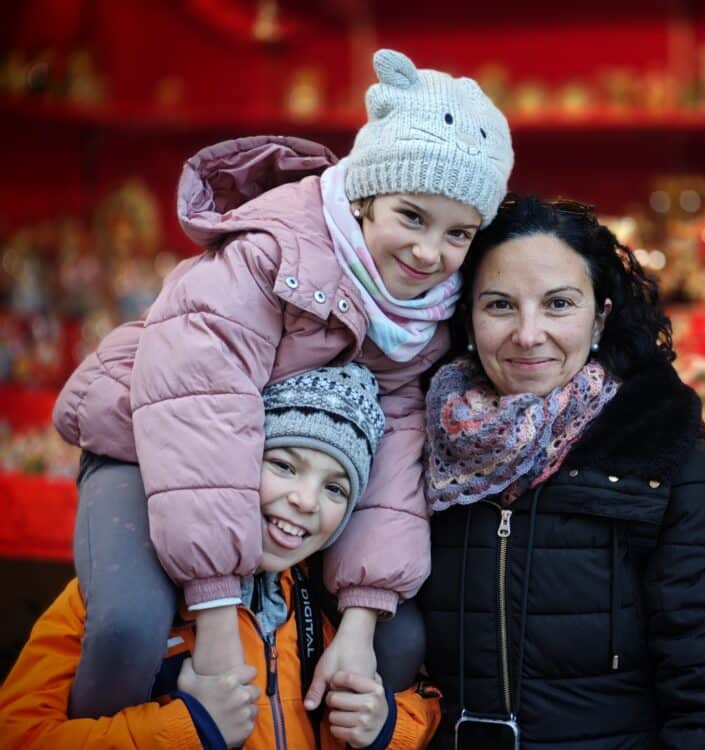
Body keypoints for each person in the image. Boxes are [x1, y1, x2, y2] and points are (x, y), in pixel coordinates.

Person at [50, 47, 513, 720]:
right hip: (142, 445)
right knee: (130, 627)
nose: (428, 253)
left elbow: (390, 464)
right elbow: (199, 413)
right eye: (411, 216)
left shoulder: (422, 319)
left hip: (281, 478)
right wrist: (215, 612)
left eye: (458, 234)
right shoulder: (267, 259)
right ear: (364, 196)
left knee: (398, 639)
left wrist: (359, 624)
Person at [419, 196, 705, 749]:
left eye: (558, 304)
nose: (528, 334)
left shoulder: (670, 468)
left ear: (601, 316)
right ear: (466, 317)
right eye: (500, 306)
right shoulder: (416, 446)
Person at [1, 364, 442, 750]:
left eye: (335, 488)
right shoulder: (120, 595)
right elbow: (18, 735)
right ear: (238, 466)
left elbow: (428, 702)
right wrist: (187, 729)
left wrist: (388, 728)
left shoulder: (333, 610)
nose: (305, 500)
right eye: (284, 465)